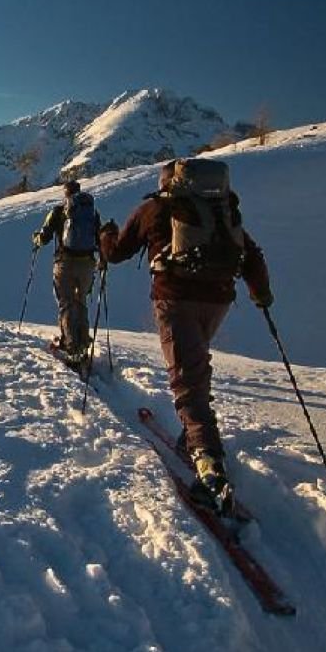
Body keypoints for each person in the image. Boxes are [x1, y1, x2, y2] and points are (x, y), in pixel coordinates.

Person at [99, 158, 273, 513]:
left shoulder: (155, 208)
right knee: (194, 368)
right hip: (219, 299)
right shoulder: (221, 211)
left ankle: (210, 470)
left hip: (175, 299)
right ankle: (192, 438)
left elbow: (117, 253)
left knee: (187, 380)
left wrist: (105, 236)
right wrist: (261, 295)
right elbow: (250, 253)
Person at [32, 180, 102, 367]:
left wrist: (36, 239)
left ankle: (71, 347)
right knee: (81, 302)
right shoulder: (92, 212)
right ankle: (83, 343)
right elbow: (99, 237)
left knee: (66, 304)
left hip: (65, 263)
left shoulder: (58, 211)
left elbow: (44, 237)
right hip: (87, 264)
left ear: (65, 194)